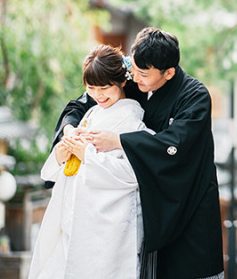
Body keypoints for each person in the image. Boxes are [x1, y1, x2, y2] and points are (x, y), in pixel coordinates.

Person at [52, 28, 225, 279]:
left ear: (168, 72)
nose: (134, 77)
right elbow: (81, 103)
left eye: (142, 73)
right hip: (144, 206)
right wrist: (70, 130)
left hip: (188, 201)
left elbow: (174, 144)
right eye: (132, 69)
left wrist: (119, 141)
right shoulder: (132, 80)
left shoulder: (194, 96)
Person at [29, 45, 150, 279]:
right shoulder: (92, 113)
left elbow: (134, 173)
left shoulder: (132, 123)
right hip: (73, 219)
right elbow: (60, 168)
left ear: (122, 81)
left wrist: (88, 156)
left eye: (104, 88)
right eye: (91, 88)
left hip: (106, 228)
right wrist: (61, 155)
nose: (98, 95)